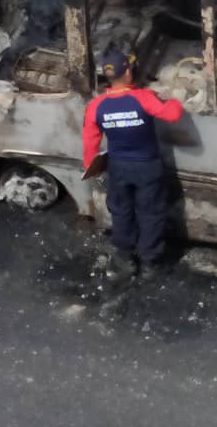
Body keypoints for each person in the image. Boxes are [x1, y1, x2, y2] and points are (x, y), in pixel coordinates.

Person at [82, 51, 183, 280]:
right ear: (128, 72)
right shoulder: (143, 97)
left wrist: (90, 166)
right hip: (147, 167)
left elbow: (90, 141)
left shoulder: (97, 105)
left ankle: (125, 259)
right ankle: (149, 263)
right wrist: (171, 99)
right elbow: (173, 114)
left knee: (121, 211)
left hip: (118, 168)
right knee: (150, 213)